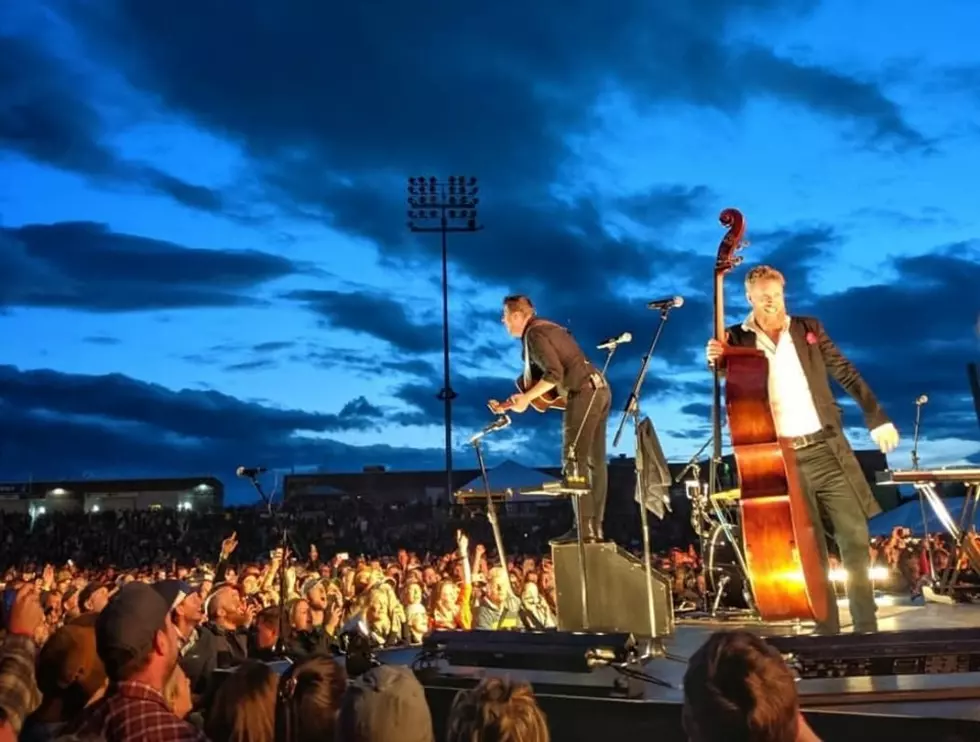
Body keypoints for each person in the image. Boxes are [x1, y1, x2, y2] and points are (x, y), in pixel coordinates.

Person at [706, 265, 899, 635]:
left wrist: (877, 417)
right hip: (782, 458)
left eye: (776, 295)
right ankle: (827, 629)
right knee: (809, 549)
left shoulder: (808, 329)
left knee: (854, 540)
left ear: (784, 293)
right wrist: (715, 358)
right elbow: (724, 376)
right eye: (763, 295)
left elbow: (845, 371)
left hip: (825, 449)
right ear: (749, 297)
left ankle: (866, 627)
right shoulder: (735, 337)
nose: (770, 301)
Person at [489, 294, 611, 544]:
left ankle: (584, 529)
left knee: (574, 459)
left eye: (505, 317)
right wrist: (520, 402)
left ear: (516, 315)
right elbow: (550, 388)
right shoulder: (550, 328)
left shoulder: (533, 335)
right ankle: (594, 528)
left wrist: (526, 398)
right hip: (600, 389)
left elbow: (554, 374)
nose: (504, 323)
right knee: (595, 462)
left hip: (583, 391)